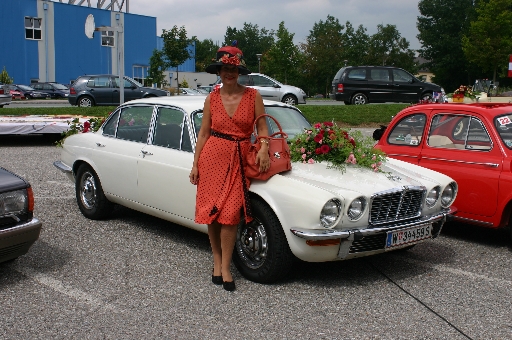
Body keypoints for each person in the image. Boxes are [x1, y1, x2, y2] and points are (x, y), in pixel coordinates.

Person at [189, 43, 270, 291]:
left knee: (231, 214)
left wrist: (264, 147)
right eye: (224, 68)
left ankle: (226, 266)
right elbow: (203, 134)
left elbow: (263, 128)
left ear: (239, 72)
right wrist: (195, 164)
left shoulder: (253, 95)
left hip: (239, 157)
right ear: (219, 71)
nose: (229, 73)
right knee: (212, 213)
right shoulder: (211, 98)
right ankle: (217, 261)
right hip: (212, 157)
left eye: (233, 69)